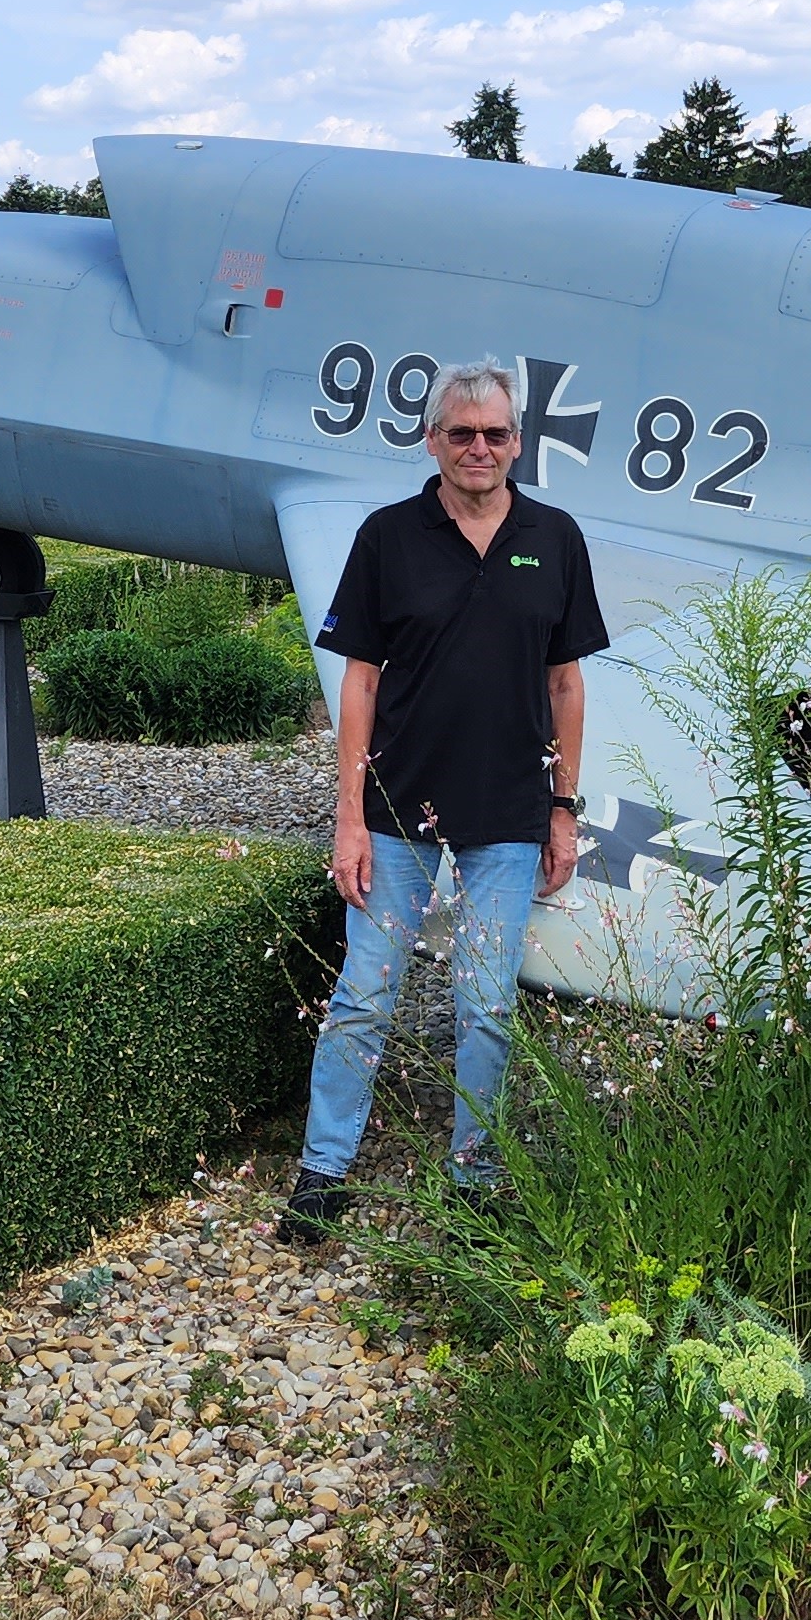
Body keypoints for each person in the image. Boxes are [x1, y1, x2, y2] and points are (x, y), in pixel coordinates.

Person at [277, 359, 607, 1243]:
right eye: (461, 432)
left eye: (495, 433)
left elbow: (567, 685)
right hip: (396, 811)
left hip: (508, 811)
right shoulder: (388, 536)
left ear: (517, 443)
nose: (479, 447)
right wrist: (350, 813)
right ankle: (322, 1171)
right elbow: (359, 684)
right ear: (432, 440)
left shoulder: (556, 535)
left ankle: (474, 1180)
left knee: (487, 1002)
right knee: (363, 996)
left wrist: (563, 807)